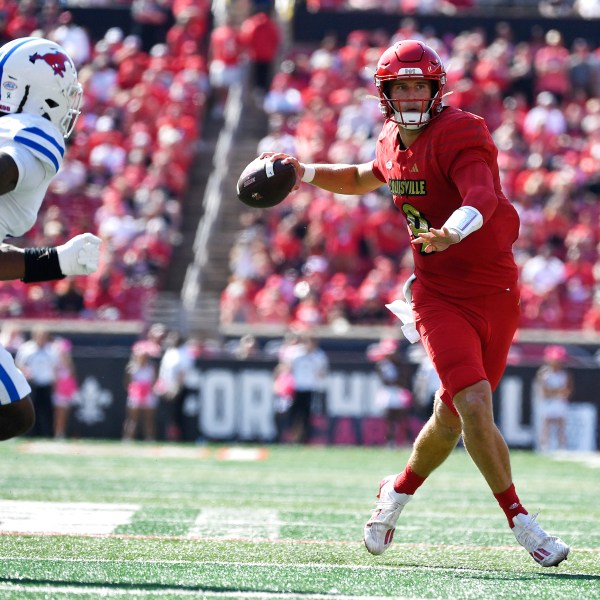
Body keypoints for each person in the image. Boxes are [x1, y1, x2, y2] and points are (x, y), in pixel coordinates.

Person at [262, 40, 569, 566]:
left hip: (496, 293)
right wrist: (305, 172)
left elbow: (482, 196)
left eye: (417, 85)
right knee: (474, 403)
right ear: (386, 93)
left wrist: (452, 231)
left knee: (450, 417)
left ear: (435, 89)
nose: (408, 94)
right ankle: (521, 520)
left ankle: (396, 491)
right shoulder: (388, 138)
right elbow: (364, 176)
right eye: (400, 86)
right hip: (437, 294)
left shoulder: (462, 129)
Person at [0, 37, 102, 441]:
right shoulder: (34, 130)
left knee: (17, 414)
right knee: (14, 414)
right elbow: (7, 168)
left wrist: (54, 261)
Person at [535, 345, 573, 452]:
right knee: (545, 425)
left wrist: (554, 392)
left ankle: (562, 448)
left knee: (561, 426)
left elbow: (567, 391)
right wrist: (557, 392)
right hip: (547, 403)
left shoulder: (565, 375)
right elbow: (544, 392)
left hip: (560, 403)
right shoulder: (544, 374)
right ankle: (544, 447)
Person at [51, 337, 79, 439]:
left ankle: (61, 433)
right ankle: (57, 433)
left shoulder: (70, 365)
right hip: (59, 393)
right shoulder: (56, 365)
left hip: (67, 393)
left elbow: (73, 378)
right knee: (59, 414)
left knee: (65, 414)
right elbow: (54, 380)